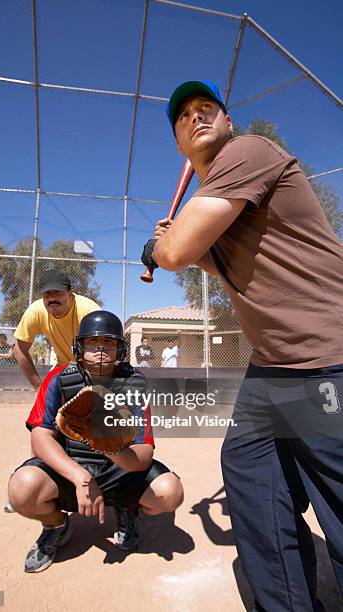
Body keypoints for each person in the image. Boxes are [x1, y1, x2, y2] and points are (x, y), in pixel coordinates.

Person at [141, 79, 343, 611]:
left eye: (208, 107)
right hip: (274, 365)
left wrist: (162, 246)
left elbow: (179, 252)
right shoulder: (223, 202)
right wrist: (173, 242)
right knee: (251, 472)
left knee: (336, 494)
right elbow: (207, 257)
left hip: (326, 356)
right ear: (179, 145)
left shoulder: (248, 152)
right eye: (183, 115)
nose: (197, 115)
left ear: (228, 122)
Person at [8, 310, 183, 573]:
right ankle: (56, 525)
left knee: (170, 492)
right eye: (92, 342)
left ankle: (126, 509)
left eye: (109, 343)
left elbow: (143, 452)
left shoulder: (134, 383)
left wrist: (107, 445)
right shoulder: (58, 378)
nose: (101, 350)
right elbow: (40, 437)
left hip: (120, 468)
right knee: (22, 488)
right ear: (79, 347)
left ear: (120, 349)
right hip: (71, 465)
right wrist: (80, 477)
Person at [14, 269, 100, 389]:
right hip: (63, 366)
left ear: (70, 294)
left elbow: (104, 351)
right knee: (46, 399)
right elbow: (20, 349)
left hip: (94, 370)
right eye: (47, 294)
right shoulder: (36, 311)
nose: (52, 298)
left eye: (58, 293)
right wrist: (38, 387)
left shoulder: (89, 311)